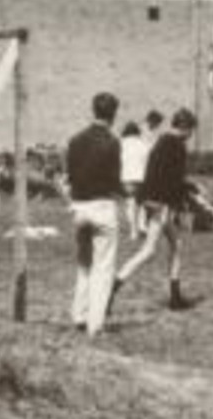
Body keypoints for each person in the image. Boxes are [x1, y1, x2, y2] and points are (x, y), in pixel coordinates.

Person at [114, 108, 199, 310]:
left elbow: (156, 175)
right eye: (191, 130)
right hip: (161, 204)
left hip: (154, 200)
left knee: (176, 244)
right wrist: (185, 196)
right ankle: (114, 285)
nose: (191, 135)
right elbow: (173, 181)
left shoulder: (162, 142)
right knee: (148, 251)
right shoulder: (177, 146)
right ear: (185, 128)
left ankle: (175, 297)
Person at [65, 92, 123, 335]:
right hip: (102, 207)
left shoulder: (75, 140)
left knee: (84, 264)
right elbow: (114, 179)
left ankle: (79, 314)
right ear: (114, 114)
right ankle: (95, 324)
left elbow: (70, 176)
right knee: (104, 267)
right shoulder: (112, 142)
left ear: (93, 110)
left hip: (79, 207)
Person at [119, 121, 150, 237]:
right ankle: (142, 226)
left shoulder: (121, 144)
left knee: (130, 203)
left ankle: (133, 230)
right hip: (142, 177)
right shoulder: (143, 144)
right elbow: (148, 161)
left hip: (126, 177)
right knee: (141, 204)